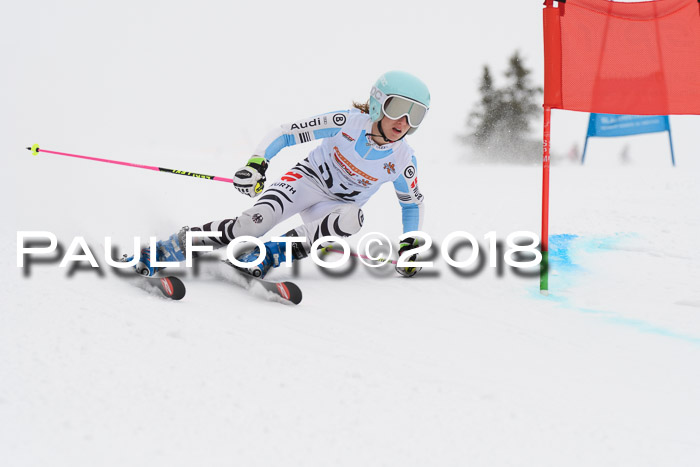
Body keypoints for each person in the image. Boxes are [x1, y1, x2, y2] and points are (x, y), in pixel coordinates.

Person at [132, 70, 430, 279]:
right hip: (305, 182)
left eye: (415, 114)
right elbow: (286, 133)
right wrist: (257, 164)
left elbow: (412, 204)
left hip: (333, 208)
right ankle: (168, 248)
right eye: (399, 108)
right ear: (379, 103)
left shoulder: (403, 159)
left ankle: (268, 254)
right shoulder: (347, 122)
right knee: (249, 226)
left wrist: (410, 245)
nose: (404, 121)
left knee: (353, 218)